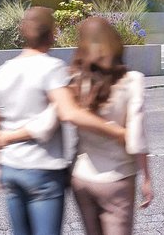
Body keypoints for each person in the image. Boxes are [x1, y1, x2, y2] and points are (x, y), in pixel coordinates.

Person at [0, 6, 127, 235]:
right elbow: (69, 113)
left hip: (11, 168)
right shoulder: (52, 68)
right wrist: (117, 132)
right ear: (51, 35)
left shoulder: (3, 71)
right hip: (42, 170)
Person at [63, 16, 152, 235]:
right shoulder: (132, 80)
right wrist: (147, 178)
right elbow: (137, 137)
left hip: (82, 176)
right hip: (117, 176)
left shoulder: (77, 80)